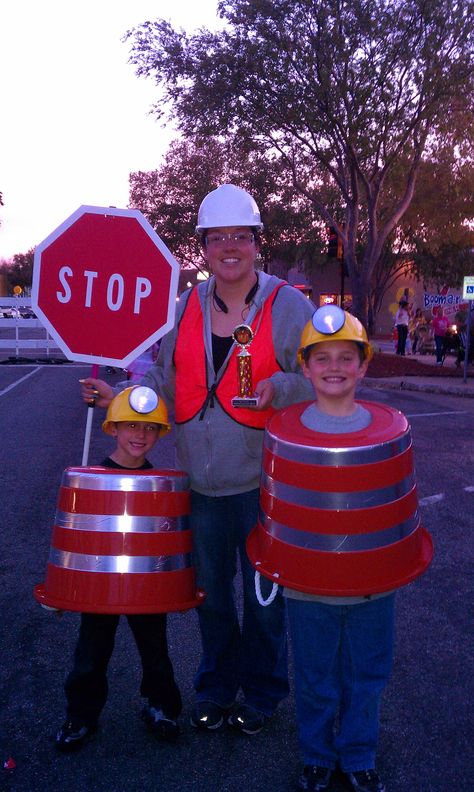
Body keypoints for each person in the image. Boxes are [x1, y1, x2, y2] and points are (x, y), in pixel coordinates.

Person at [80, 184, 315, 736]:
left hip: (265, 485)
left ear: (257, 244)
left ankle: (259, 694)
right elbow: (162, 380)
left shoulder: (288, 305)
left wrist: (278, 388)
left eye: (240, 236)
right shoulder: (186, 306)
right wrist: (116, 395)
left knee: (263, 601)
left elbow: (323, 379)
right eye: (217, 238)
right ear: (203, 247)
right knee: (209, 600)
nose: (229, 246)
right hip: (200, 486)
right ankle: (215, 688)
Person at [288, 306, 395, 792]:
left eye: (346, 357)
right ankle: (315, 754)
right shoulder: (285, 432)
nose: (334, 367)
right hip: (307, 589)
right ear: (305, 367)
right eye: (322, 357)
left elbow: (397, 509)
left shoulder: (389, 430)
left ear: (363, 365)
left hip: (374, 587)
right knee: (314, 677)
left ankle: (358, 755)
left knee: (367, 675)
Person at [56, 386, 182, 752]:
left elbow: (166, 538)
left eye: (149, 428)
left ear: (159, 433)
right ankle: (81, 715)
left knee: (155, 647)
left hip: (146, 583)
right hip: (101, 582)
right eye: (130, 425)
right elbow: (75, 535)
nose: (140, 435)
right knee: (92, 650)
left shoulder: (160, 483)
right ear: (112, 428)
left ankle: (162, 706)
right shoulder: (93, 477)